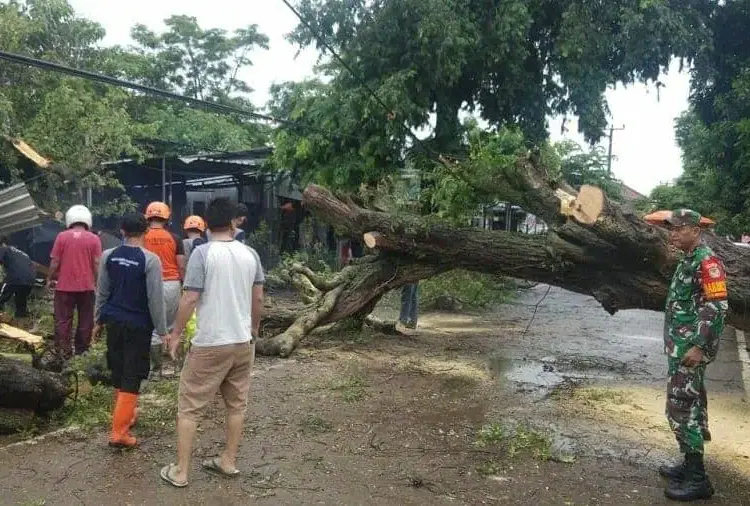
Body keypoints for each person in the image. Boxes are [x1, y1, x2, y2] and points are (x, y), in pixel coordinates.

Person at [160, 197, 264, 488]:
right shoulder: (250, 255)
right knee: (236, 405)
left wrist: (177, 334)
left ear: (206, 224)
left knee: (190, 406)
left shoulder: (202, 254)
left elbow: (190, 297)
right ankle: (228, 461)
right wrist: (253, 329)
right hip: (242, 341)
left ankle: (180, 471)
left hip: (210, 343)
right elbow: (258, 297)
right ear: (233, 222)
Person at [657, 209, 728, 502]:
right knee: (692, 405)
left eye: (678, 229)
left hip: (690, 351)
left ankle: (698, 479)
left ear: (695, 231)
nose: (672, 234)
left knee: (681, 407)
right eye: (670, 229)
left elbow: (717, 307)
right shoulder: (688, 259)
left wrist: (699, 347)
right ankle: (689, 465)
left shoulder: (707, 262)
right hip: (681, 348)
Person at [94, 214, 167, 448]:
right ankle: (119, 433)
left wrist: (97, 321)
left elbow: (102, 292)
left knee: (118, 368)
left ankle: (126, 416)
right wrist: (163, 330)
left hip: (114, 320)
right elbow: (155, 299)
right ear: (145, 232)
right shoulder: (150, 260)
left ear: (122, 231)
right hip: (138, 324)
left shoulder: (109, 256)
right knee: (132, 374)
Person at [47, 205, 102, 358]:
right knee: (86, 320)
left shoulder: (61, 236)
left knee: (63, 320)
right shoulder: (94, 239)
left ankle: (63, 352)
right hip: (87, 287)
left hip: (64, 287)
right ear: (88, 220)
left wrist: (49, 278)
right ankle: (82, 351)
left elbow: (55, 261)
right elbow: (97, 263)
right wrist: (97, 283)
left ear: (69, 219)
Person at [143, 201, 185, 377]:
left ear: (148, 217)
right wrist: (183, 283)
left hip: (149, 284)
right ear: (166, 218)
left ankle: (156, 370)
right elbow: (181, 265)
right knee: (173, 324)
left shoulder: (142, 237)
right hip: (172, 283)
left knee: (153, 326)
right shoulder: (175, 238)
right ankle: (177, 368)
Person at [0, 236, 36, 318]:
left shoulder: (4, 248)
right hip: (30, 280)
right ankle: (21, 319)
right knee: (21, 302)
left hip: (16, 276)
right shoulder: (22, 253)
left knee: (2, 296)